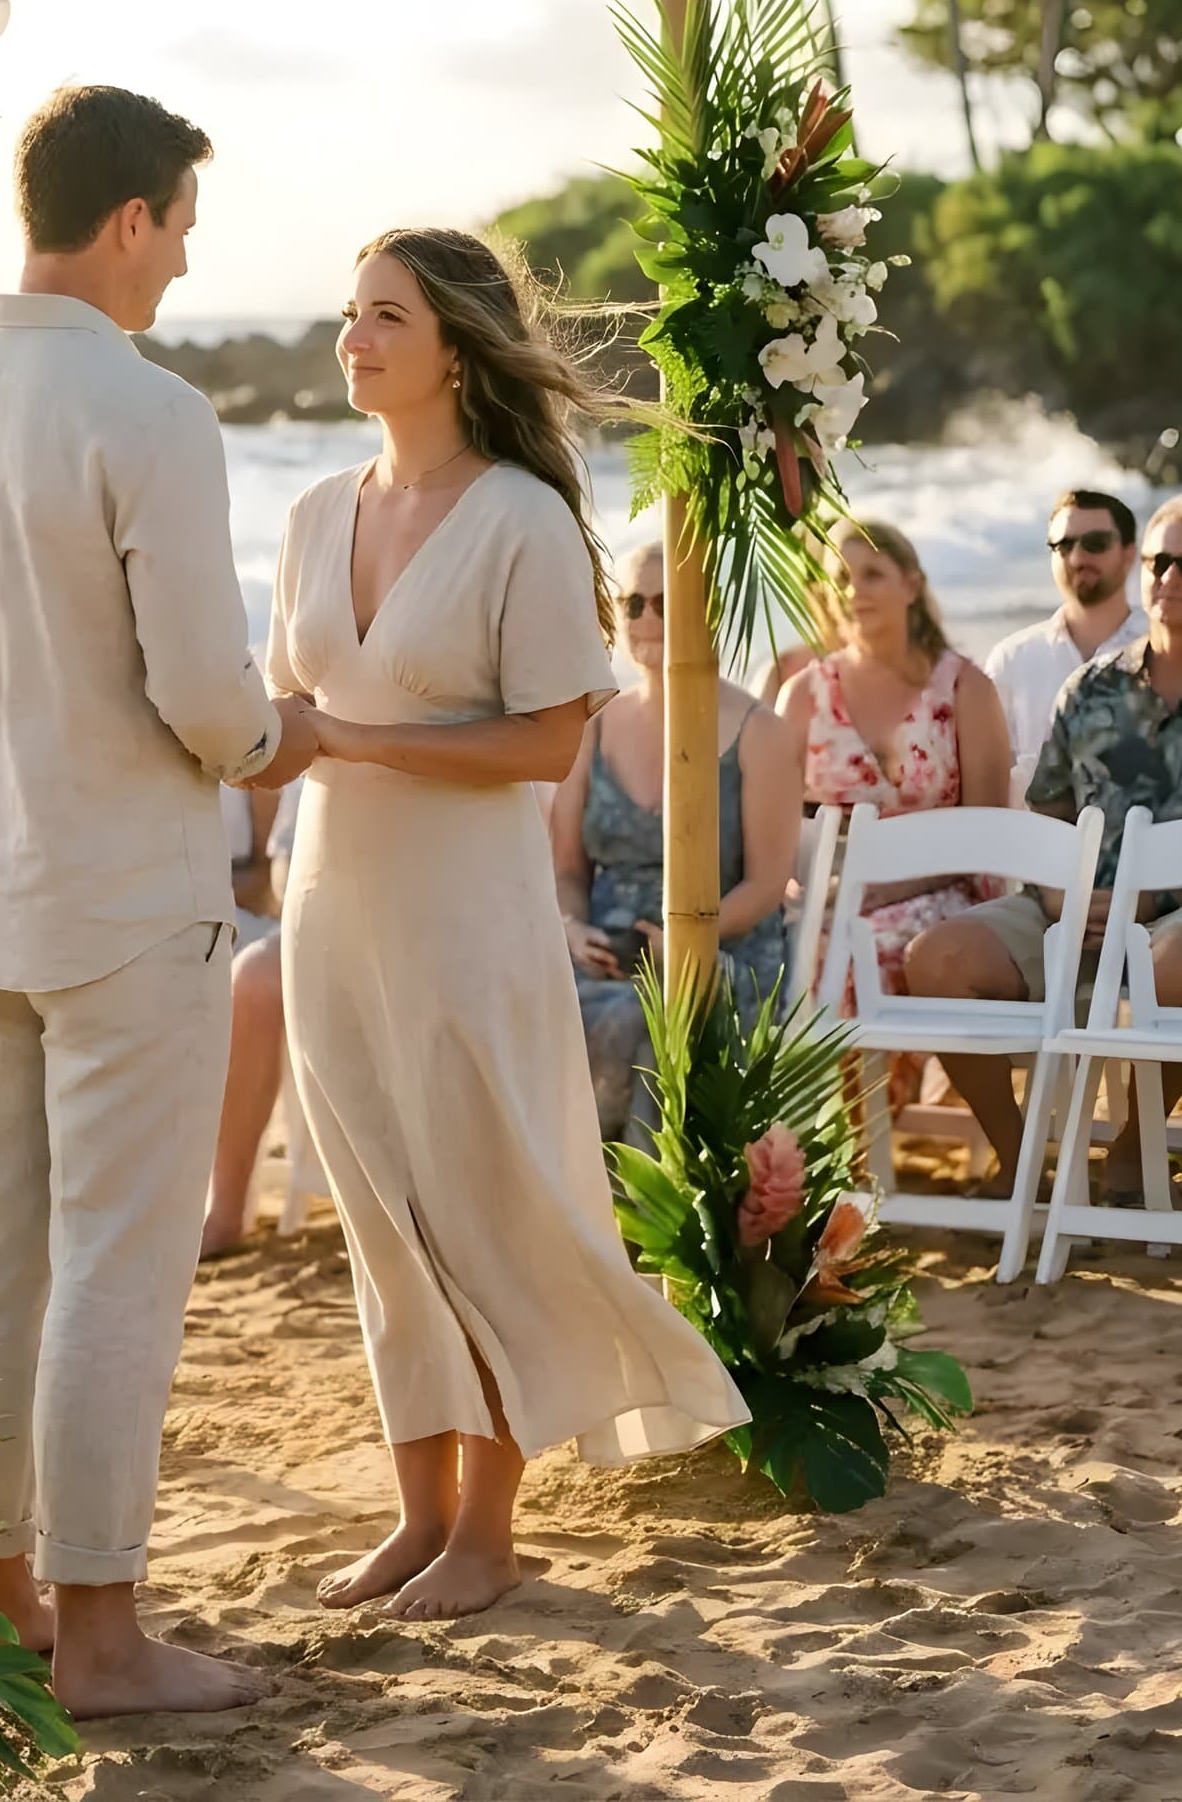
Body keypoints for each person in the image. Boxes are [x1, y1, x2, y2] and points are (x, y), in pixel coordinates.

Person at [0, 84, 314, 1719]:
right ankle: (107, 1635)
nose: (184, 264)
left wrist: (20, 722)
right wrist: (281, 734)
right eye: (181, 228)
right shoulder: (150, 412)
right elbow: (207, 694)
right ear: (130, 220)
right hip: (126, 897)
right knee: (120, 1265)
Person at [265, 229, 747, 1625]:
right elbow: (270, 706)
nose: (352, 338)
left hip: (464, 913)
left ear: (457, 347)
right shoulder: (309, 510)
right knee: (378, 1213)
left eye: (384, 317)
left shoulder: (522, 519)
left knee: (477, 1198)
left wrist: (345, 736)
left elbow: (544, 743)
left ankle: (489, 1524)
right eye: (348, 311)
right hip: (327, 907)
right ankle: (417, 1512)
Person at [904, 491, 1182, 1196]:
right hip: (1071, 903)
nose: (1170, 578)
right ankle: (1022, 1155)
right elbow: (1048, 809)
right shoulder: (1089, 688)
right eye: (1162, 561)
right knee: (937, 959)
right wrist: (1060, 892)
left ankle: (1135, 1141)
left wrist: (1146, 899)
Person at [553, 538, 802, 1139]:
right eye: (633, 603)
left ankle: (640, 1207)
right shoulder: (594, 724)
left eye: (668, 602)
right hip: (609, 954)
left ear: (709, 610)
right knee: (506, 989)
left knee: (647, 1018)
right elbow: (566, 870)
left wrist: (688, 939)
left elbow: (768, 884)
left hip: (720, 951)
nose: (647, 619)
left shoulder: (760, 732)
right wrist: (571, 927)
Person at [775, 518, 1012, 1011]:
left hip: (947, 890)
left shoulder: (965, 688)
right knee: (771, 950)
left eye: (872, 574)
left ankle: (888, 1091)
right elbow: (770, 823)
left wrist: (879, 890)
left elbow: (987, 836)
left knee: (864, 948)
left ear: (912, 584)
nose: (853, 590)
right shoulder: (803, 694)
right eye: (840, 577)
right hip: (829, 894)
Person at [985, 489, 1144, 797]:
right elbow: (992, 782)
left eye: (1095, 543)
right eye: (1064, 545)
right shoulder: (1012, 660)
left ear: (1128, 554)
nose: (1078, 557)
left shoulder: (1164, 650)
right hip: (1036, 841)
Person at [202, 779, 303, 1257]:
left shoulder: (245, 729)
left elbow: (268, 884)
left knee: (250, 979)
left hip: (230, 913)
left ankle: (225, 1207)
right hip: (156, 917)